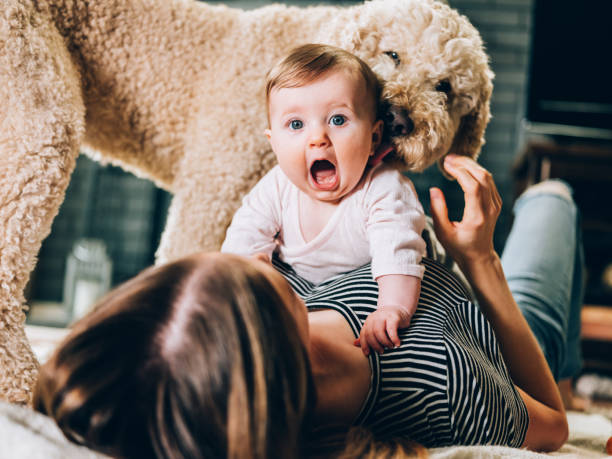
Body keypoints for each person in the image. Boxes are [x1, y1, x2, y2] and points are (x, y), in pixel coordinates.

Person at [35, 154, 583, 458]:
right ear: (273, 336)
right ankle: (565, 361)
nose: (244, 255)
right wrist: (481, 261)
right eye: (236, 273)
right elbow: (555, 428)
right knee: (552, 202)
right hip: (501, 336)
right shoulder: (443, 385)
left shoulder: (292, 293)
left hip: (447, 293)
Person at [221, 44, 426, 355]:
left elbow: (397, 251)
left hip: (366, 295)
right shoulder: (276, 187)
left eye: (338, 120)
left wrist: (392, 309)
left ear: (373, 138)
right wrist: (248, 273)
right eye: (296, 125)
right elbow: (244, 238)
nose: (317, 138)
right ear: (273, 143)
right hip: (302, 294)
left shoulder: (383, 189)